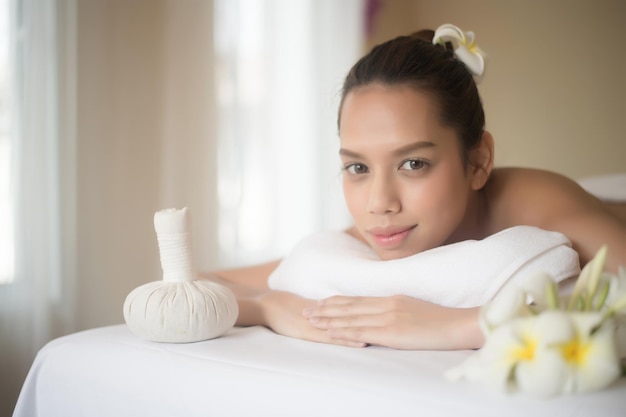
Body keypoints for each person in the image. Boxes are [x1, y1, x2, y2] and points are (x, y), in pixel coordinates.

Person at [203, 25, 626, 351]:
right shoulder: (380, 229)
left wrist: (454, 324)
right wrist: (267, 305)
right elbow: (204, 280)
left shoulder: (540, 203)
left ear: (478, 161)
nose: (379, 203)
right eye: (357, 167)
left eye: (413, 163)